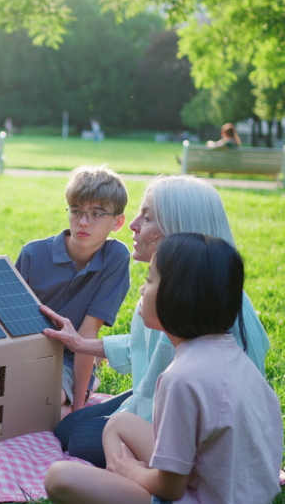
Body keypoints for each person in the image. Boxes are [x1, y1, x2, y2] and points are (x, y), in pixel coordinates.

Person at [44, 233, 283, 504]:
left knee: (60, 477)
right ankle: (128, 486)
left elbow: (171, 487)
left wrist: (132, 471)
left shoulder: (181, 378)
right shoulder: (231, 358)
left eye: (150, 280)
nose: (143, 289)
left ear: (177, 296)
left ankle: (131, 492)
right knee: (119, 421)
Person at [46, 174, 270, 466]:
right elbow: (140, 348)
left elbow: (200, 402)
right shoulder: (167, 286)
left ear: (176, 230)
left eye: (147, 218)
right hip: (159, 397)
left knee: (80, 440)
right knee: (66, 429)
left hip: (191, 426)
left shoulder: (196, 303)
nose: (134, 225)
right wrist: (79, 343)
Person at [9, 166, 131, 417]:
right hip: (26, 354)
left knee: (39, 408)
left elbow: (87, 333)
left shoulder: (115, 258)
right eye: (76, 211)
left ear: (117, 222)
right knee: (2, 400)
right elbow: (12, 323)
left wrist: (77, 410)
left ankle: (81, 388)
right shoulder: (33, 253)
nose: (83, 222)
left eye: (97, 214)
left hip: (69, 358)